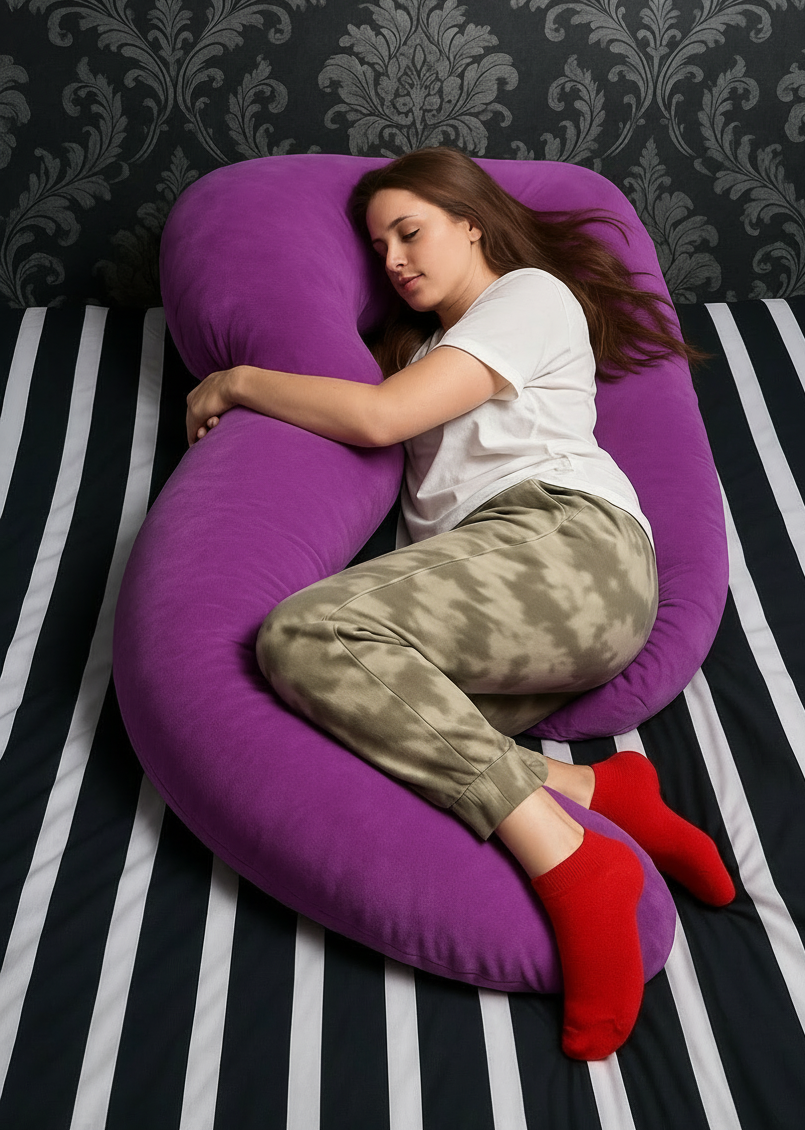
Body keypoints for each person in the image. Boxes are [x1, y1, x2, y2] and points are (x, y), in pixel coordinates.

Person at [184, 147, 734, 1061]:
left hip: (571, 544)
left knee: (308, 632)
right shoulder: (425, 353)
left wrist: (236, 381)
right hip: (506, 602)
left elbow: (378, 420)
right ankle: (599, 791)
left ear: (469, 220)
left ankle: (575, 860)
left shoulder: (527, 297)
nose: (394, 258)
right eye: (377, 246)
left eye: (412, 230)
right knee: (339, 717)